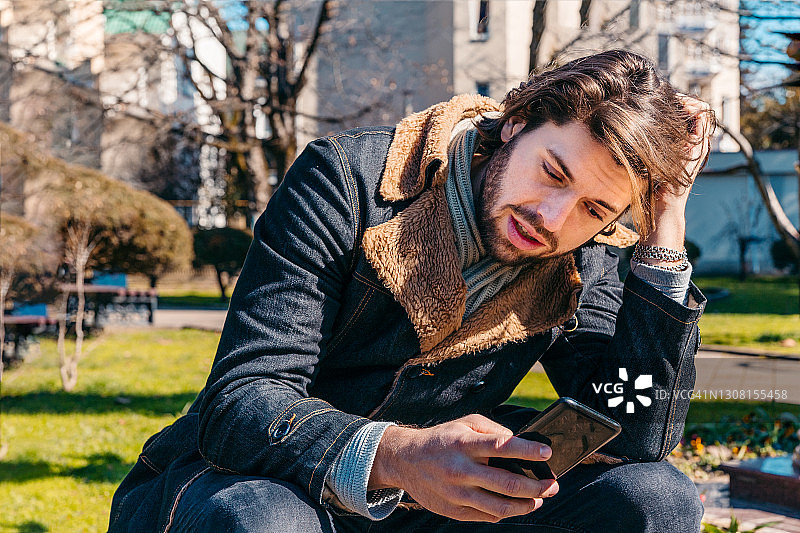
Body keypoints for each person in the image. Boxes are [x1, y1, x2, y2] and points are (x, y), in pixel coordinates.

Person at [109, 49, 714, 532]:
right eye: (553, 173)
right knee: (267, 521)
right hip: (256, 481)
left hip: (427, 506)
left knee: (656, 499)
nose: (553, 219)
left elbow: (630, 429)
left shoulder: (585, 254)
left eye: (593, 208)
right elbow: (241, 401)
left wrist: (666, 228)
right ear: (517, 123)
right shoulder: (346, 179)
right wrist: (398, 456)